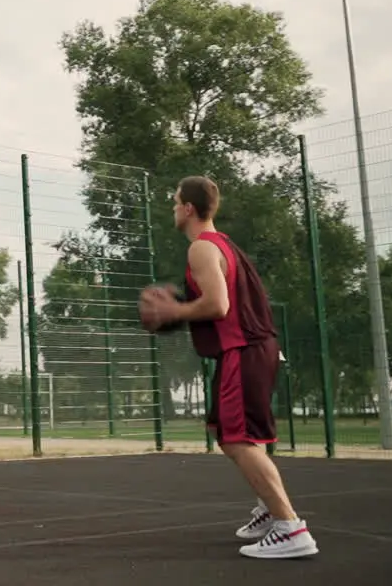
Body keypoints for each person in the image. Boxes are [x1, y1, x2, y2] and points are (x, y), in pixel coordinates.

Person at [141, 176, 317, 559]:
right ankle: (273, 513)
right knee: (242, 438)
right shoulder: (225, 246)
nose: (173, 208)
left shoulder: (202, 249)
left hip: (243, 350)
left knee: (236, 440)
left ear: (188, 208)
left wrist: (174, 310)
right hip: (256, 348)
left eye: (175, 202)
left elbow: (218, 305)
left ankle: (291, 528)